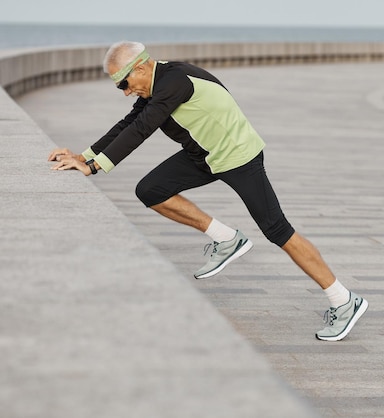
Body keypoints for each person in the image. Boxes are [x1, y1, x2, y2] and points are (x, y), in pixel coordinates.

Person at [48, 41, 367, 341]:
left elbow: (141, 129)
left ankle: (344, 300)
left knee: (277, 230)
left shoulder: (174, 82)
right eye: (119, 86)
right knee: (150, 190)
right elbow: (128, 123)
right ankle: (227, 239)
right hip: (203, 155)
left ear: (142, 66)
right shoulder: (156, 85)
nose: (125, 91)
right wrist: (84, 156)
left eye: (123, 83)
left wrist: (94, 167)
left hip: (238, 157)